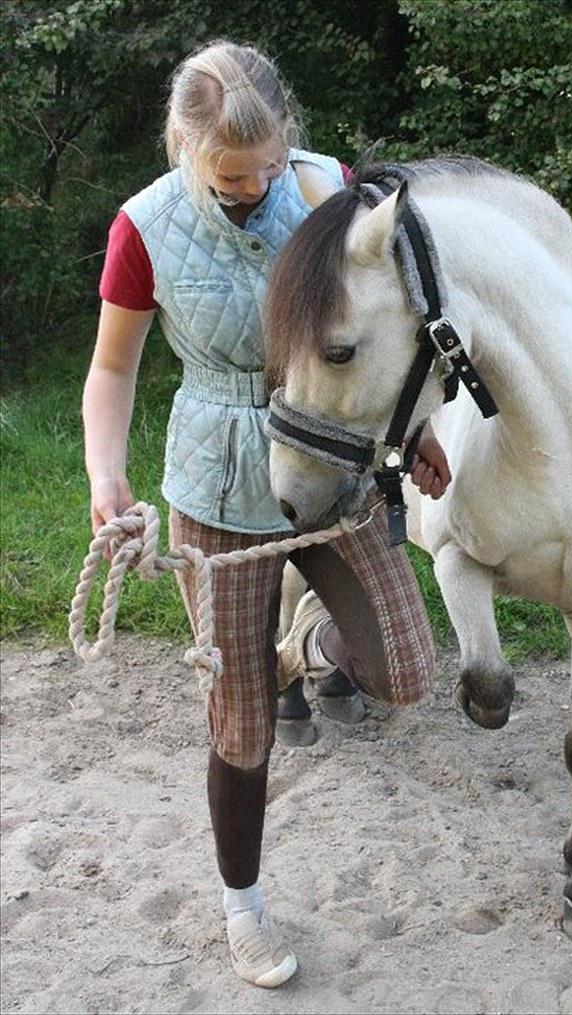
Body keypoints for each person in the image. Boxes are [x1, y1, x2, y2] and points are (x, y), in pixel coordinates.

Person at [83, 39, 451, 990]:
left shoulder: (337, 188)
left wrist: (415, 433)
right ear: (185, 148)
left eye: (269, 167)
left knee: (405, 671)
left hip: (332, 467)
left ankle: (302, 648)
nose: (254, 187)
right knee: (240, 726)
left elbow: (383, 332)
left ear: (294, 142)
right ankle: (241, 908)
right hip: (218, 486)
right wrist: (105, 476)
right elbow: (112, 368)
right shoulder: (144, 228)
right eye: (230, 173)